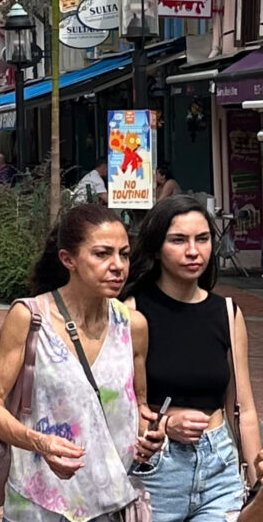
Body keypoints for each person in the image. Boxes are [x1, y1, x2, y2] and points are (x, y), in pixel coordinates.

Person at [0, 203, 163, 522]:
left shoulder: (133, 326)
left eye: (124, 254)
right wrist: (40, 442)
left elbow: (140, 406)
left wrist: (149, 434)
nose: (117, 265)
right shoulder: (31, 318)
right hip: (38, 504)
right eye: (102, 254)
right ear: (69, 259)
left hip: (110, 504)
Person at [122, 195, 260, 522]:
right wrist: (166, 425)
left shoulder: (226, 313)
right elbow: (114, 407)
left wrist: (257, 487)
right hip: (154, 469)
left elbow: (244, 409)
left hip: (219, 469)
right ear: (157, 246)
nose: (193, 251)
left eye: (202, 239)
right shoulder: (132, 311)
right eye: (178, 240)